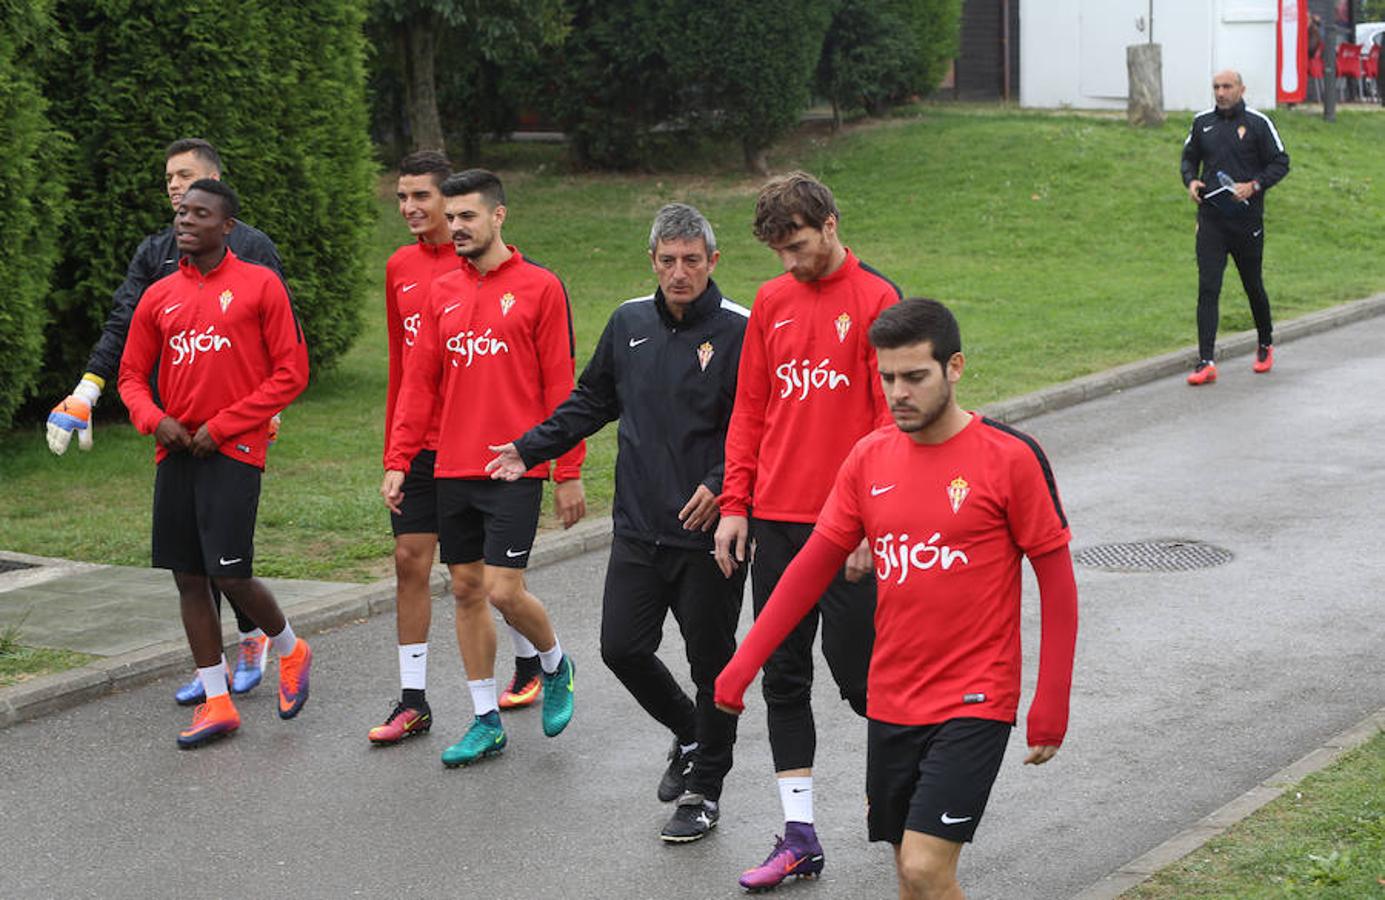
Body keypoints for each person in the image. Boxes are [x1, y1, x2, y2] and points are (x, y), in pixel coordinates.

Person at [716, 297, 1079, 900]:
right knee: (907, 874)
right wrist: (741, 666)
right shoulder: (868, 458)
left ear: (954, 367)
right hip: (893, 696)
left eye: (915, 376)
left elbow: (1058, 581)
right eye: (887, 378)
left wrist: (1052, 702)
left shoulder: (1011, 458)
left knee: (924, 868)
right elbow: (811, 568)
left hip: (976, 696)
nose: (898, 392)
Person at [486, 203, 749, 841]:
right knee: (620, 648)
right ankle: (689, 733)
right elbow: (592, 400)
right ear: (652, 261)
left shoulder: (745, 329)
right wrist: (530, 449)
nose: (679, 272)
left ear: (713, 261)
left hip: (711, 537)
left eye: (692, 260)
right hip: (637, 526)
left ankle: (705, 789)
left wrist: (721, 487)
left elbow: (758, 424)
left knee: (713, 664)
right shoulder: (629, 321)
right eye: (668, 261)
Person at [45, 138, 287, 706]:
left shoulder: (252, 248)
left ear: (215, 183)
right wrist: (89, 389)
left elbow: (277, 339)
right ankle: (212, 670)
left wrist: (265, 410)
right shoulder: (156, 253)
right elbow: (125, 322)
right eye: (169, 180)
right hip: (173, 425)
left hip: (235, 425)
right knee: (190, 561)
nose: (175, 187)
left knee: (226, 557)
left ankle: (256, 638)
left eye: (185, 176)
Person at [712, 172, 900, 890]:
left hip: (848, 530)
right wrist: (736, 503)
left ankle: (895, 792)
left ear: (828, 224)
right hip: (778, 526)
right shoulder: (770, 301)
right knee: (782, 679)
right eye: (777, 252)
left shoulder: (878, 299)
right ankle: (799, 835)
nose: (789, 263)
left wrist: (872, 522)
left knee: (862, 681)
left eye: (796, 246)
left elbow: (891, 424)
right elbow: (750, 408)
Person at [382, 168, 584, 768]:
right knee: (465, 589)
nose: (457, 226)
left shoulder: (541, 287)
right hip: (450, 465)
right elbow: (418, 386)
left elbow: (560, 384)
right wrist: (399, 459)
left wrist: (566, 469)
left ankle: (555, 663)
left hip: (513, 466)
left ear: (498, 216)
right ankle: (484, 719)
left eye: (468, 216)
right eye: (454, 216)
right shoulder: (441, 290)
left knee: (502, 588)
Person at [117, 179, 313, 748]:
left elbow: (289, 373)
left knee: (229, 572)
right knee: (189, 577)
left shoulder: (260, 285)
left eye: (199, 214)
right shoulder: (159, 295)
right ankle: (217, 699)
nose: (185, 221)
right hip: (175, 449)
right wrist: (157, 420)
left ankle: (290, 647)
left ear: (227, 227)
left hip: (235, 449)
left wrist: (223, 425)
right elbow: (131, 377)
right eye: (181, 213)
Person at [1180, 69, 1290, 386]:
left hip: (1246, 221)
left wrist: (1254, 185)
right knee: (1208, 288)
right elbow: (1188, 159)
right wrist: (1191, 181)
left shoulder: (1258, 123)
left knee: (1252, 285)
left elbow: (1281, 162)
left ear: (1241, 88)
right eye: (1216, 87)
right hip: (1212, 218)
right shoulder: (1203, 123)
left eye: (1227, 86)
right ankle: (1206, 361)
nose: (1221, 92)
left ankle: (1265, 343)